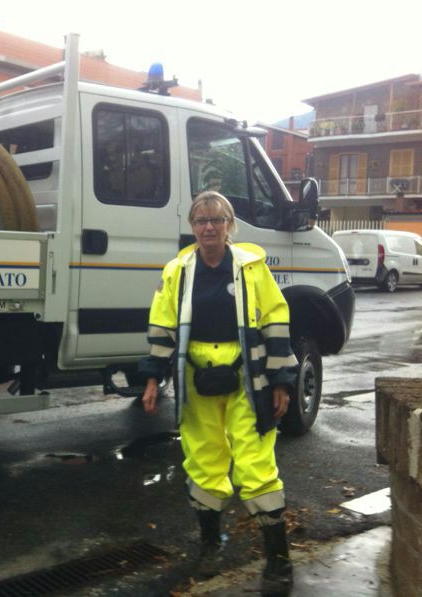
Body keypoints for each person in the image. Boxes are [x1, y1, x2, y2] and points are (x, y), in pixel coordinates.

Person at [139, 191, 297, 595]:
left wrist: (281, 381)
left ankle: (278, 559)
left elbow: (276, 320)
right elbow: (162, 326)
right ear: (192, 227)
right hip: (196, 377)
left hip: (250, 376)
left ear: (230, 225)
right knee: (204, 460)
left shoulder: (251, 268)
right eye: (201, 221)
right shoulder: (178, 270)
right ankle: (211, 546)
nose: (209, 227)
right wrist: (153, 378)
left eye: (217, 220)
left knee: (255, 461)